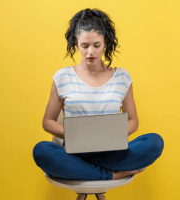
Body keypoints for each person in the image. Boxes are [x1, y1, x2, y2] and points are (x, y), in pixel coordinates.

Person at [33, 8, 164, 200]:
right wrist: (76, 133)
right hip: (74, 155)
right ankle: (109, 175)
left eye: (96, 45)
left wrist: (111, 134)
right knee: (42, 151)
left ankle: (89, 172)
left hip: (112, 153)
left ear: (105, 44)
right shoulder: (62, 76)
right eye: (84, 45)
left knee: (154, 142)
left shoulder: (122, 76)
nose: (90, 52)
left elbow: (133, 120)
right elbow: (48, 122)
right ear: (75, 44)